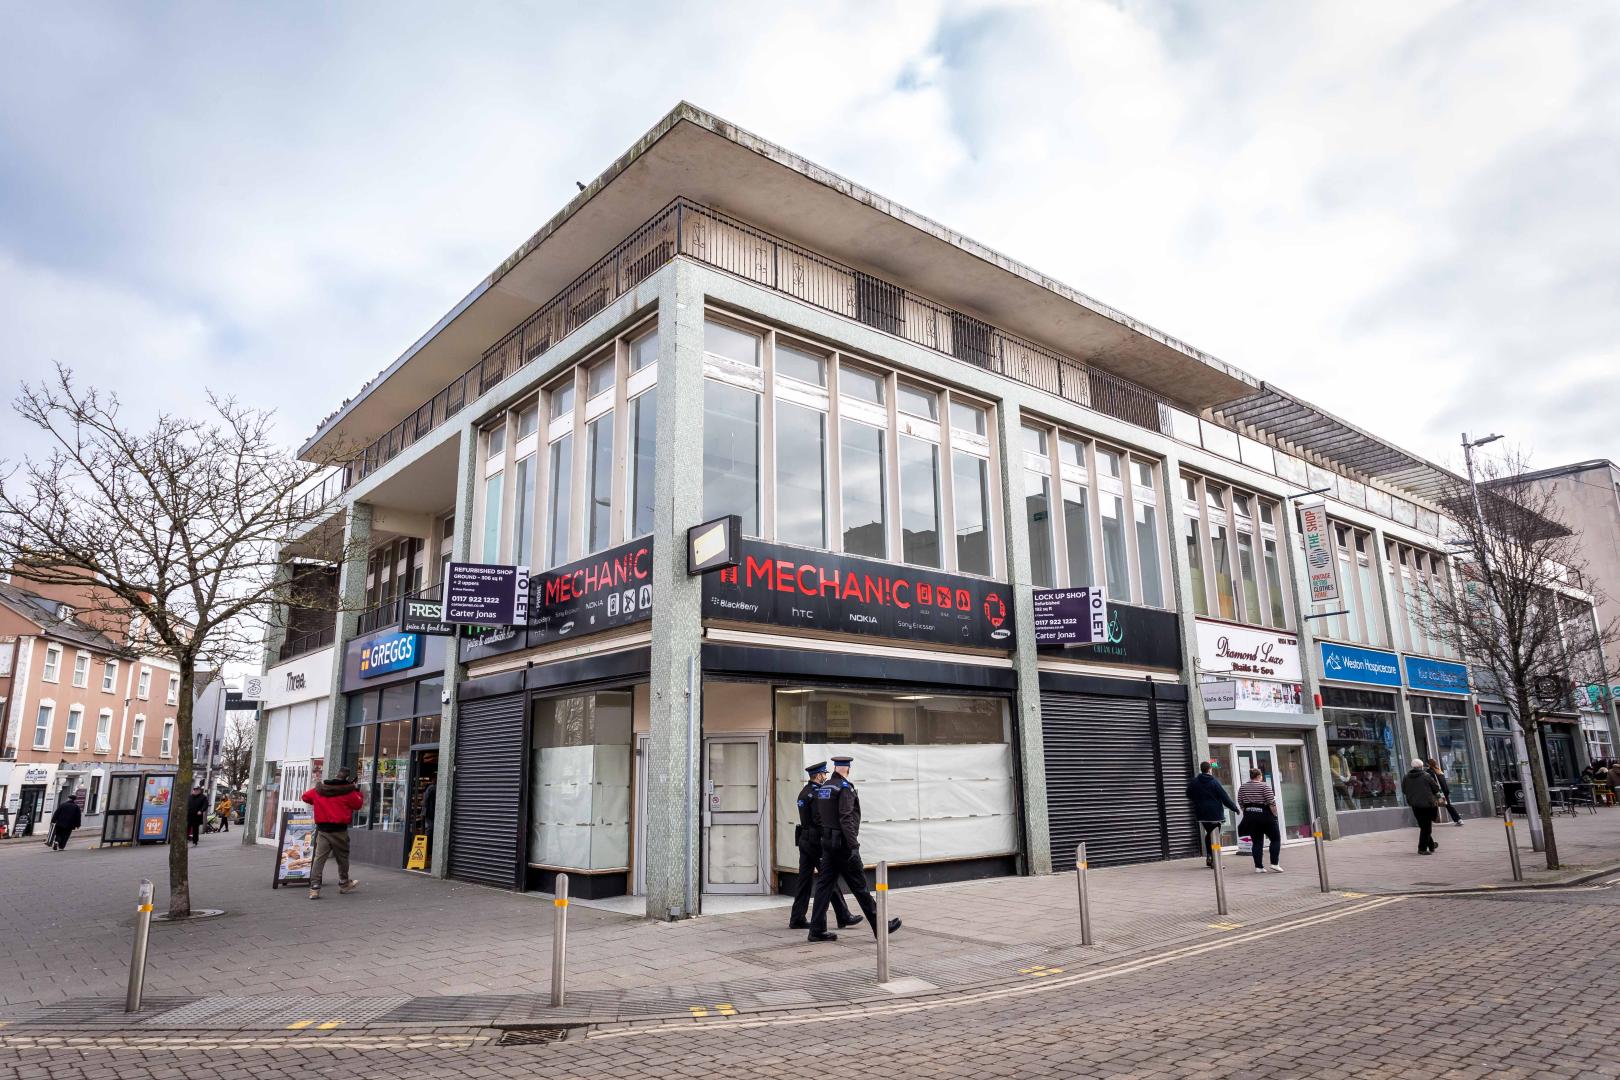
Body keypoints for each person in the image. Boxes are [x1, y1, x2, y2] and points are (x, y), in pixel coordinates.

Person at [806, 755, 901, 944]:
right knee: (860, 886)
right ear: (847, 769)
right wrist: (853, 846)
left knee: (824, 887)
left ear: (835, 768)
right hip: (843, 846)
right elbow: (846, 818)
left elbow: (819, 817)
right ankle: (881, 927)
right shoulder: (844, 788)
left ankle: (816, 930)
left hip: (828, 844)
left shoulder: (824, 788)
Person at [787, 762, 858, 931]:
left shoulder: (804, 792)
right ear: (818, 776)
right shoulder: (817, 794)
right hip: (816, 842)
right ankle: (843, 915)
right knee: (828, 878)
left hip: (804, 841)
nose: (825, 777)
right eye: (824, 775)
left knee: (804, 881)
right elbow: (821, 819)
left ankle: (797, 917)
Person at [301, 770, 365, 899]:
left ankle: (314, 888)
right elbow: (358, 805)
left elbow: (305, 797)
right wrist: (357, 791)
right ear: (346, 779)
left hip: (323, 830)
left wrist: (318, 803)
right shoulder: (348, 792)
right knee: (342, 858)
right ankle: (344, 883)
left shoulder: (319, 790)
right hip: (339, 831)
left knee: (319, 859)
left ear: (336, 776)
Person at [1185, 761, 1240, 867]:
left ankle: (1209, 857)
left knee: (1209, 834)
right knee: (1215, 837)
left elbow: (1188, 793)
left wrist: (1198, 801)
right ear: (1209, 769)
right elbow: (1225, 798)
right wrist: (1234, 808)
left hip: (1201, 814)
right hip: (1214, 814)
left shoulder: (1195, 781)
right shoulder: (1214, 782)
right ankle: (1215, 860)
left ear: (1201, 769)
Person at [1236, 768, 1283, 874]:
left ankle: (1259, 867)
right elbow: (1271, 802)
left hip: (1250, 816)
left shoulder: (1243, 787)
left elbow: (1240, 802)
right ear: (1259, 776)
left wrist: (1247, 811)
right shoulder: (1264, 786)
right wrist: (1275, 815)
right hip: (1265, 816)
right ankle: (1274, 864)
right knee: (1275, 839)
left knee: (1256, 842)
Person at [1402, 758, 1442, 855]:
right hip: (1427, 805)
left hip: (1415, 805)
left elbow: (1404, 790)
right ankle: (1422, 848)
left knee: (1423, 826)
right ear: (1421, 766)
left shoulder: (1406, 777)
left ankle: (1431, 845)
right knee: (1426, 827)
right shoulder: (1426, 776)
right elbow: (1436, 788)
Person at [1426, 758, 1462, 826]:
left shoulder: (1429, 772)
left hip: (1437, 792)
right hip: (1443, 792)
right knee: (1446, 805)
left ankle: (1431, 820)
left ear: (1428, 764)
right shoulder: (1439, 770)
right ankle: (1458, 819)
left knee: (1433, 805)